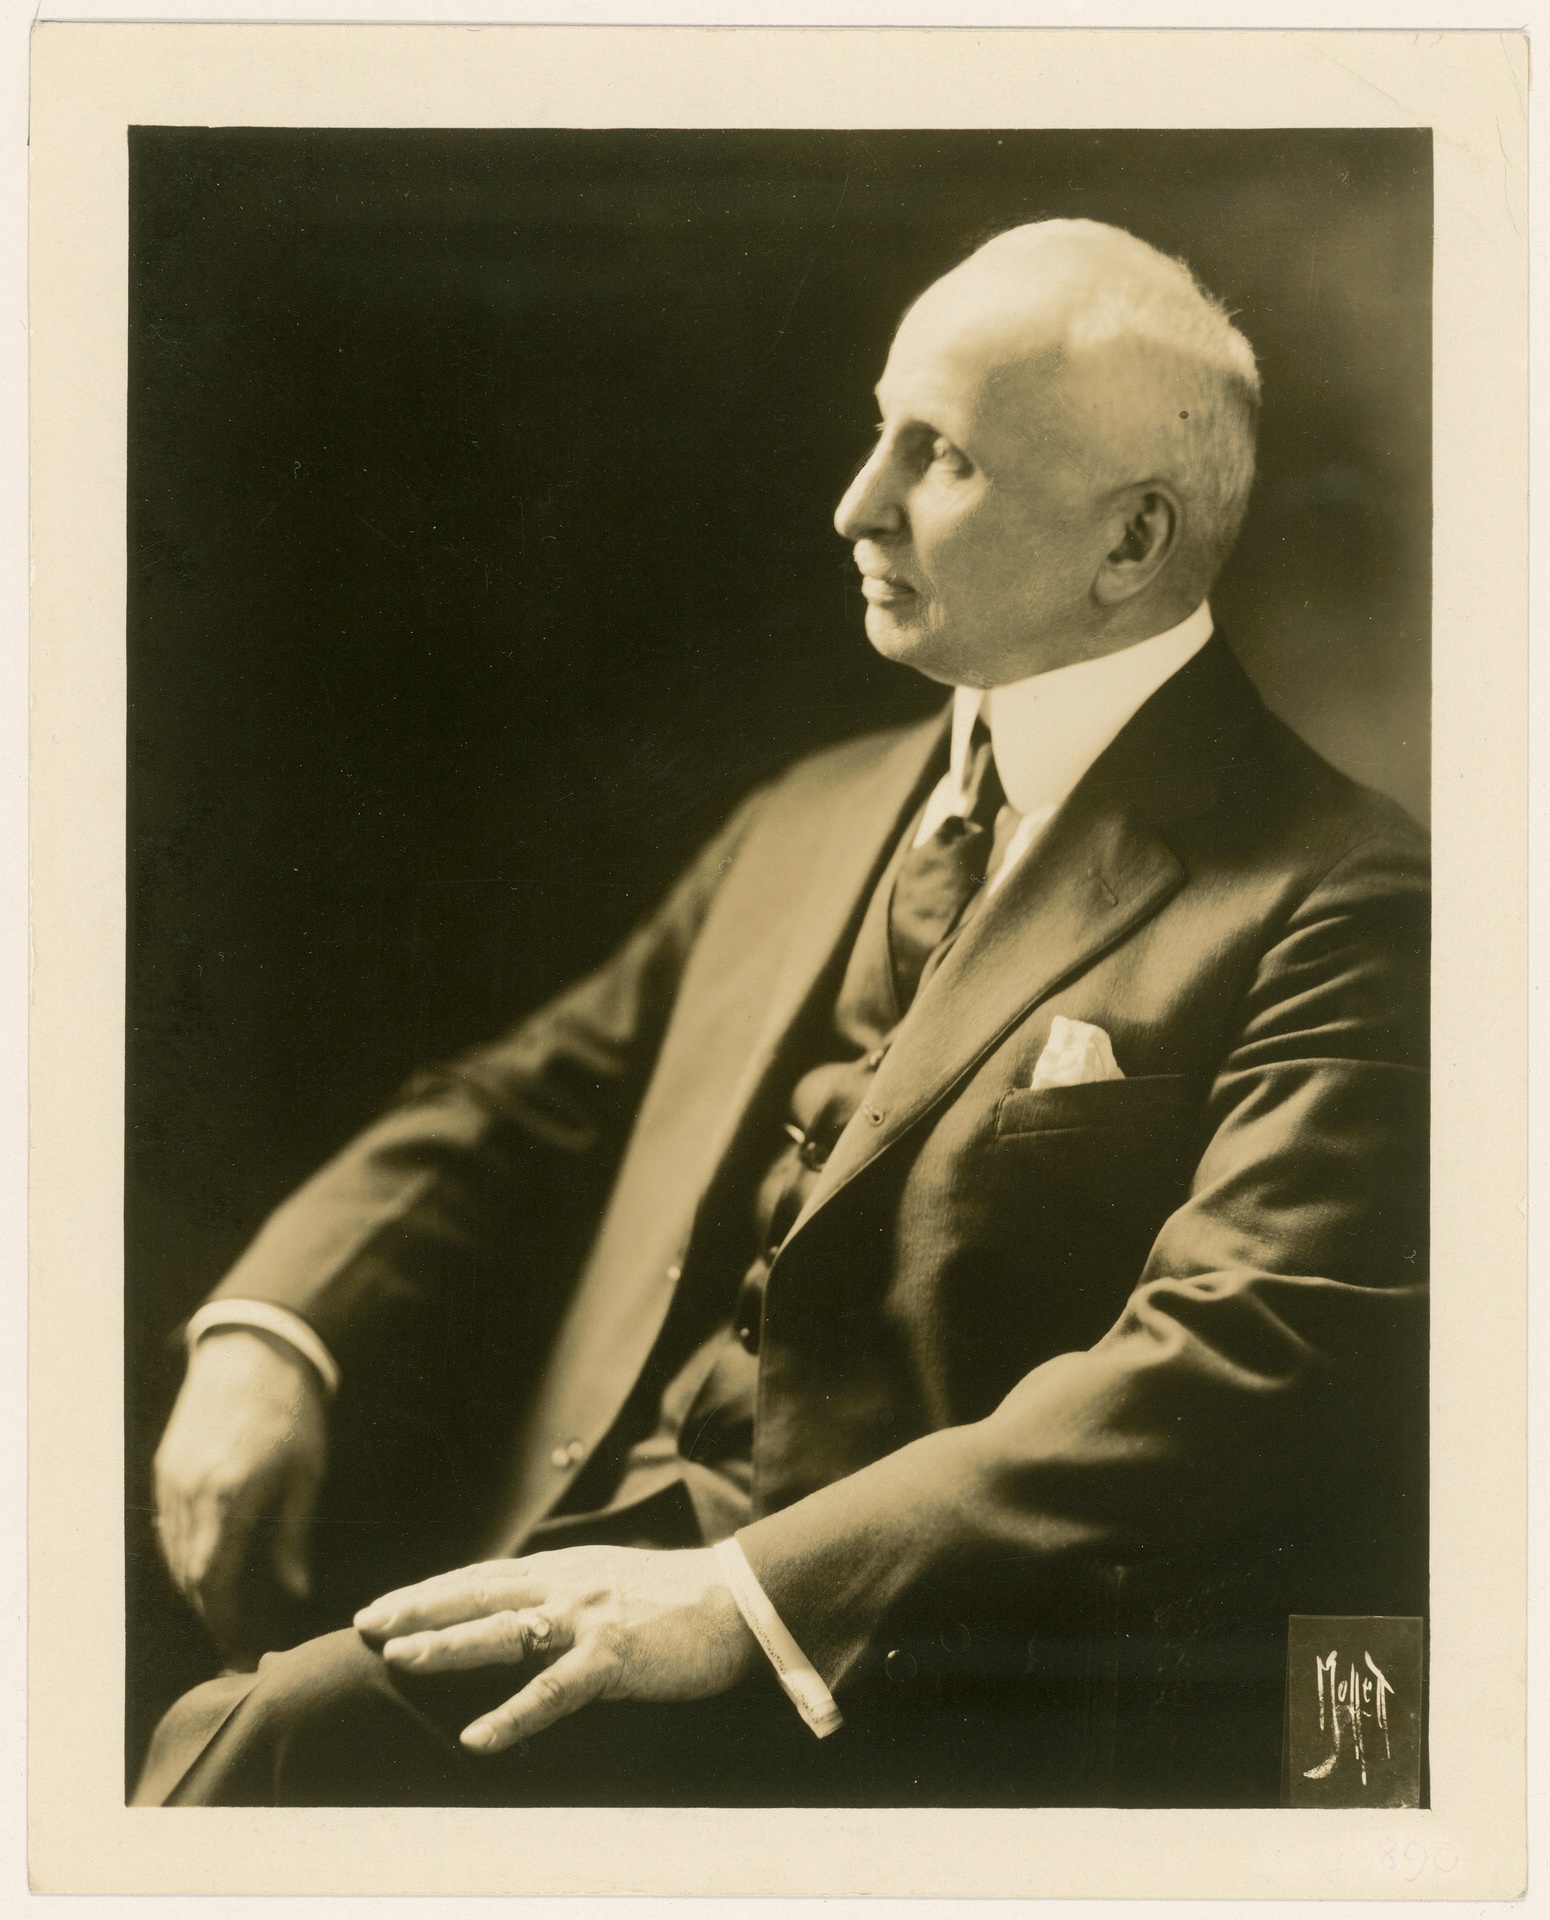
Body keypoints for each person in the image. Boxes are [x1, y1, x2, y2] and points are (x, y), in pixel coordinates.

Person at [135, 218, 1428, 1808]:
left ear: (1131, 541)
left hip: (908, 1688)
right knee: (232, 1720)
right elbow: (515, 1101)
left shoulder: (1342, 892)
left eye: (937, 455)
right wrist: (271, 1337)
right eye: (878, 429)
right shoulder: (809, 816)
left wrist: (743, 1599)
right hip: (593, 1544)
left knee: (258, 1746)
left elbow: (1234, 1352)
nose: (855, 502)